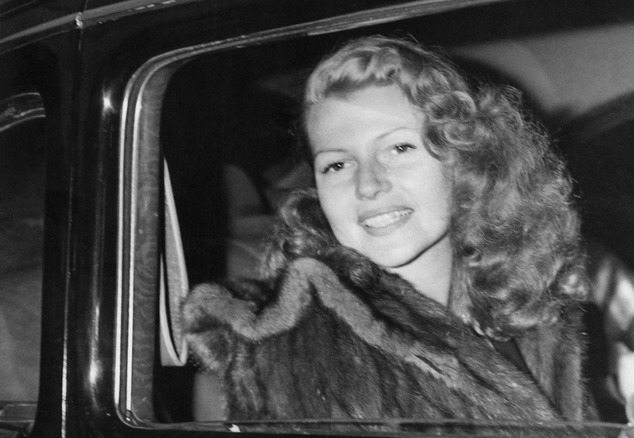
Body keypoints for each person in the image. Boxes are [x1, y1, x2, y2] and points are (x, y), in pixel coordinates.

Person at [183, 35, 593, 424]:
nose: (368, 184)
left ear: (463, 163)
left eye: (398, 149)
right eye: (337, 165)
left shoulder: (529, 322)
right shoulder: (302, 356)